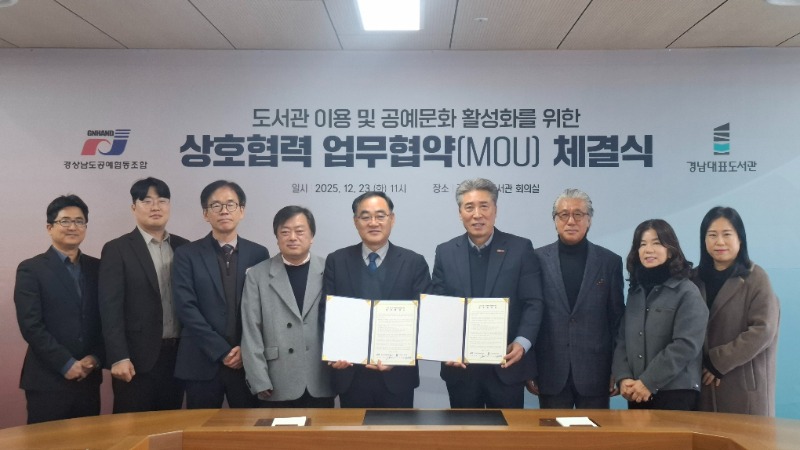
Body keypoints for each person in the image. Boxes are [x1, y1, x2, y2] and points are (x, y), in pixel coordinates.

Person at [431, 178, 544, 409]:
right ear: (460, 213)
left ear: (495, 210)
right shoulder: (445, 252)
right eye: (469, 207)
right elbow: (438, 307)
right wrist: (445, 347)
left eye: (484, 206)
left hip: (506, 366)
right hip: (461, 369)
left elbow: (533, 302)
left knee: (508, 432)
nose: (477, 214)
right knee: (463, 431)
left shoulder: (520, 248)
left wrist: (522, 343)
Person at [324, 191, 431, 408]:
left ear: (392, 219)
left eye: (380, 216)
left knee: (397, 430)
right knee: (353, 430)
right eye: (365, 217)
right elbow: (325, 312)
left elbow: (425, 317)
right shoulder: (337, 261)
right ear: (356, 221)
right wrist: (334, 352)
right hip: (350, 374)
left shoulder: (414, 262)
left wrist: (399, 357)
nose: (373, 223)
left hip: (397, 377)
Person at [173, 180, 269, 408]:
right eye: (216, 205)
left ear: (241, 211)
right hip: (201, 360)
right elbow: (186, 307)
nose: (224, 210)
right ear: (206, 214)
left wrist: (245, 348)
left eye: (230, 204)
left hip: (247, 362)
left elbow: (264, 307)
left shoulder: (259, 253)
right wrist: (221, 350)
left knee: (249, 426)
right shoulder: (186, 254)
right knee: (201, 427)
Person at [99, 177, 189, 413]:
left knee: (170, 426)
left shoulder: (184, 247)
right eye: (146, 201)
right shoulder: (117, 249)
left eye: (162, 200)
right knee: (133, 428)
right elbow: (110, 309)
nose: (155, 207)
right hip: (136, 360)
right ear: (133, 207)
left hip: (178, 357)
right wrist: (118, 356)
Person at [529, 188, 624, 409]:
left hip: (596, 373)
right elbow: (530, 317)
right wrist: (529, 368)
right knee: (552, 432)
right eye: (564, 214)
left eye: (578, 214)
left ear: (589, 220)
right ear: (555, 220)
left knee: (595, 432)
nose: (571, 221)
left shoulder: (609, 262)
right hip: (550, 371)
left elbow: (617, 320)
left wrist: (617, 369)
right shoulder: (536, 259)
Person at [14, 195, 103, 424]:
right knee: (47, 441)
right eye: (65, 221)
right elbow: (31, 325)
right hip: (47, 380)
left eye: (79, 221)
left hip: (88, 380)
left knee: (89, 440)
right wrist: (66, 363)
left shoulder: (98, 268)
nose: (73, 227)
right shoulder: (31, 269)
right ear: (49, 227)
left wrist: (95, 357)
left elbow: (107, 319)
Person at [241, 206, 335, 408]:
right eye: (285, 232)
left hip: (320, 378)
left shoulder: (329, 269)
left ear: (312, 236)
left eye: (300, 231)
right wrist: (259, 379)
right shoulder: (257, 275)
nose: (292, 237)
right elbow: (251, 331)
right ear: (276, 237)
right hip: (277, 379)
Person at [612, 219, 707, 411]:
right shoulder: (636, 293)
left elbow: (686, 345)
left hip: (676, 393)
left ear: (670, 250)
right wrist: (623, 377)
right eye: (642, 244)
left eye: (656, 243)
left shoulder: (687, 292)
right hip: (637, 392)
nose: (648, 250)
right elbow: (622, 339)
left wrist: (649, 381)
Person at [692, 206, 779, 416]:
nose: (719, 242)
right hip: (702, 384)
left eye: (727, 234)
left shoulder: (756, 278)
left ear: (740, 238)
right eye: (712, 235)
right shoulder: (693, 279)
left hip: (742, 385)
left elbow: (763, 330)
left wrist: (719, 361)